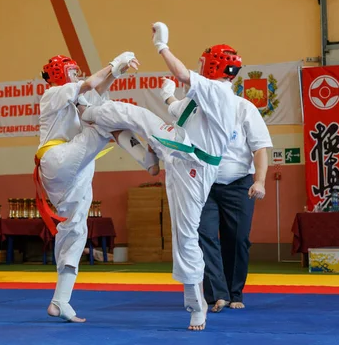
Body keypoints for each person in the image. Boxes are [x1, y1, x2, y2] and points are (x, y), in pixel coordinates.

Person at [78, 22, 240, 331]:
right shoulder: (206, 97)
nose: (199, 66)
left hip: (192, 161)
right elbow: (179, 112)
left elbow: (182, 75)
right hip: (180, 153)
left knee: (186, 236)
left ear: (215, 66)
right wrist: (167, 95)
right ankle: (145, 155)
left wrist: (161, 46)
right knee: (128, 116)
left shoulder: (219, 90)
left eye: (205, 63)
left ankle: (196, 305)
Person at [35, 51, 158, 324]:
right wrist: (115, 62)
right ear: (61, 73)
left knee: (75, 232)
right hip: (58, 159)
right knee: (104, 120)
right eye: (72, 70)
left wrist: (116, 72)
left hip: (70, 171)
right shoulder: (53, 93)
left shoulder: (74, 97)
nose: (77, 74)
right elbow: (90, 84)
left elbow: (95, 92)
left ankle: (60, 301)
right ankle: (148, 160)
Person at [164, 82, 272, 312]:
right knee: (205, 236)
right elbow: (174, 107)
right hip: (203, 183)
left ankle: (235, 293)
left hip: (239, 182)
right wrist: (167, 93)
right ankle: (218, 294)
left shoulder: (244, 108)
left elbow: (260, 147)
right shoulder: (195, 107)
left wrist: (260, 181)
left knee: (238, 239)